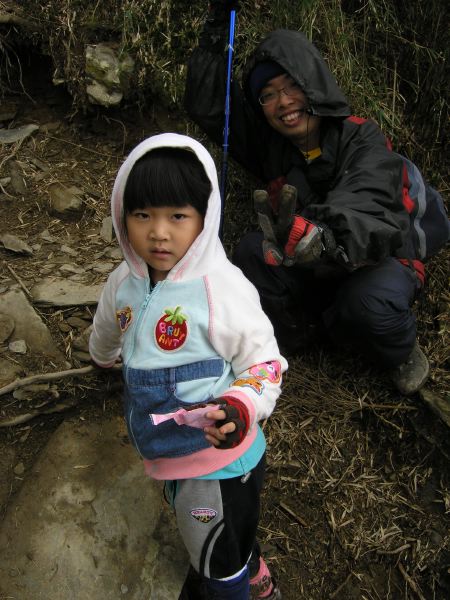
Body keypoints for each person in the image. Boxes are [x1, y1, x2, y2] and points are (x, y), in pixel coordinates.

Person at [184, 1, 449, 396]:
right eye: (269, 95)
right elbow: (212, 108)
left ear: (314, 85)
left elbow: (367, 198)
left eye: (292, 86)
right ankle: (304, 335)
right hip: (312, 260)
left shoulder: (363, 137)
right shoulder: (270, 146)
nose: (284, 102)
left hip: (375, 258)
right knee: (253, 252)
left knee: (368, 305)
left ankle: (400, 351)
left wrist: (322, 232)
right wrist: (214, 33)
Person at [89, 132, 286, 600]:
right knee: (224, 536)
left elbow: (265, 364)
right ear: (123, 215)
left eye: (177, 216)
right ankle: (251, 569)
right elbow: (106, 327)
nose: (159, 232)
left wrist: (240, 406)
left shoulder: (222, 288)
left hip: (216, 465)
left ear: (204, 217)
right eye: (143, 215)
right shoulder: (125, 280)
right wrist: (101, 358)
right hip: (172, 456)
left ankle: (237, 583)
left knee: (215, 569)